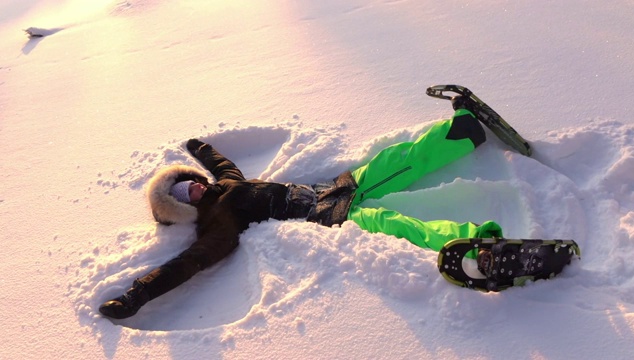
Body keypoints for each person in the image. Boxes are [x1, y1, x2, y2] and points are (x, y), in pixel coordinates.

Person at [99, 97, 503, 319]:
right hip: (327, 216)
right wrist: (137, 295)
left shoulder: (226, 183)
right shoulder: (217, 227)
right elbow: (187, 264)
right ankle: (470, 244)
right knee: (392, 225)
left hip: (327, 189)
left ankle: (461, 132)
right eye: (185, 194)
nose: (196, 188)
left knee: (392, 162)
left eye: (191, 182)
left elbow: (222, 166)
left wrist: (200, 149)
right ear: (182, 209)